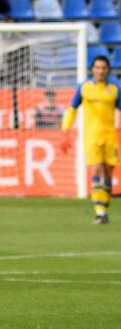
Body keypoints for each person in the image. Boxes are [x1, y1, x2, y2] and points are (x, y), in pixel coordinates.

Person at [62, 55, 118, 225]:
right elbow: (72, 109)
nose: (100, 71)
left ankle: (104, 211)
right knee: (96, 170)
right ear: (92, 69)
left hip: (110, 137)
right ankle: (99, 213)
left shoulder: (115, 90)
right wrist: (65, 131)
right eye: (97, 68)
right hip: (92, 137)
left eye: (103, 68)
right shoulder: (84, 88)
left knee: (108, 174)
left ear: (108, 70)